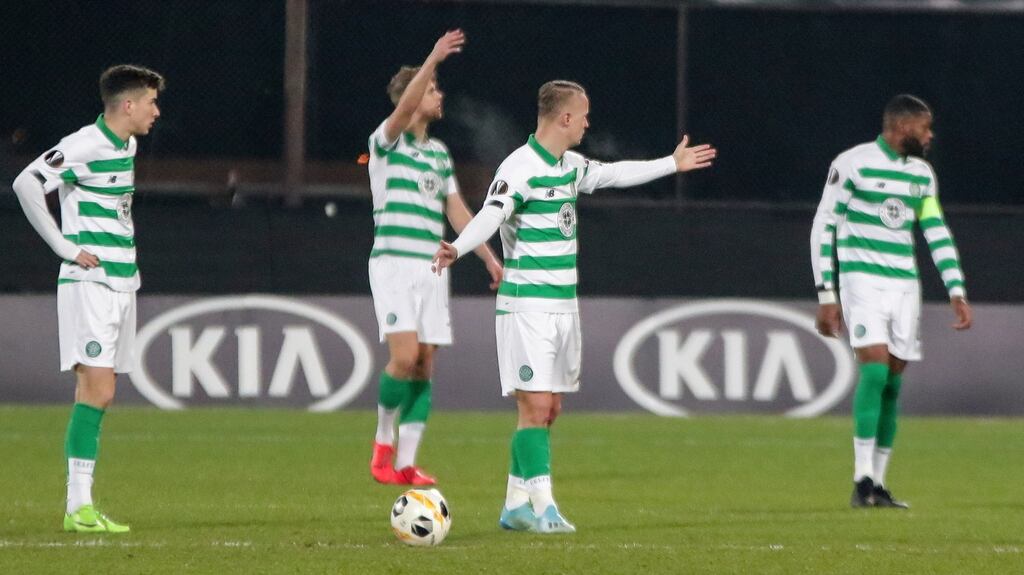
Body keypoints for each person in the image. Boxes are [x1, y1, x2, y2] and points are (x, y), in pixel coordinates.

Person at [431, 80, 716, 532]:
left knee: (550, 408)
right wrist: (459, 248)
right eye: (583, 114)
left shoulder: (569, 166)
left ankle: (515, 505)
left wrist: (671, 163)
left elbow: (615, 173)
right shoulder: (520, 168)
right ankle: (545, 508)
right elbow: (491, 212)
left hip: (563, 308)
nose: (587, 122)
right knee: (535, 406)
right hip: (527, 308)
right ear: (564, 118)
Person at [12, 64, 164, 532]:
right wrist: (64, 247)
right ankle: (78, 505)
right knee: (98, 389)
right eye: (152, 102)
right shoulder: (84, 145)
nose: (157, 112)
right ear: (128, 105)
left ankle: (79, 507)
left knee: (101, 390)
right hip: (90, 285)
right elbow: (26, 183)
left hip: (122, 283)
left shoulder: (126, 145)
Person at [810, 94, 972, 509]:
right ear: (902, 128)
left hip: (905, 287)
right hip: (862, 282)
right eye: (925, 127)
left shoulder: (921, 174)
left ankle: (878, 484)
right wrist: (826, 293)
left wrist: (956, 288)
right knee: (876, 373)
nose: (930, 134)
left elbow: (935, 229)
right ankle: (861, 479)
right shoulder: (853, 163)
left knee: (893, 386)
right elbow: (823, 225)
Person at [367, 29, 503, 486]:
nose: (439, 95)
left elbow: (459, 211)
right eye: (432, 89)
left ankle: (406, 462)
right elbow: (403, 110)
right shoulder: (385, 143)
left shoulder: (439, 155)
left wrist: (486, 256)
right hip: (393, 263)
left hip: (432, 266)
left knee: (425, 363)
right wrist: (432, 57)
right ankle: (382, 445)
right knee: (403, 358)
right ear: (412, 95)